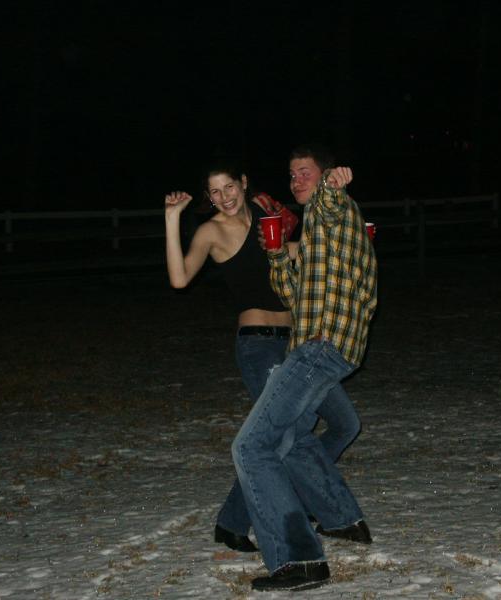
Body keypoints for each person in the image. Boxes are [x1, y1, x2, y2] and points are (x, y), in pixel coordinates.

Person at [163, 162, 362, 554]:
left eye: (229, 187)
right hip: (258, 345)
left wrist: (343, 236)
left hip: (298, 342)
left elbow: (300, 251)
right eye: (215, 192)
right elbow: (179, 278)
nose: (224, 197)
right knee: (284, 435)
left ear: (243, 183)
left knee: (345, 423)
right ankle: (328, 512)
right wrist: (172, 219)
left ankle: (235, 519)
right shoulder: (212, 232)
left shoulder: (267, 216)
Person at [233, 146, 378, 591]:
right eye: (291, 174)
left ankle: (299, 559)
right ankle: (341, 519)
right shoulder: (318, 233)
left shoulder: (330, 209)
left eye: (305, 172)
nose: (296, 181)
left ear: (325, 173)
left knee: (251, 447)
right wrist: (278, 253)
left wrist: (333, 184)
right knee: (291, 438)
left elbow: (330, 201)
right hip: (331, 347)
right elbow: (295, 296)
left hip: (319, 347)